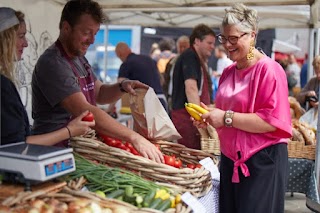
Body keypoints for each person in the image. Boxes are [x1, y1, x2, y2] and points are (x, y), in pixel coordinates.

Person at [31, 0, 163, 163]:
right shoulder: (53, 63)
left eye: (95, 33)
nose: (92, 40)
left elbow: (100, 93)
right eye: (87, 32)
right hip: (54, 154)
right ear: (66, 28)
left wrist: (122, 86)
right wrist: (133, 137)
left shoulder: (79, 59)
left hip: (78, 150)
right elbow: (85, 110)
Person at [194, 3, 292, 213]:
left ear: (252, 36)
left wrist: (226, 117)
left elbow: (270, 120)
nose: (227, 45)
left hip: (263, 161)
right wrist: (209, 116)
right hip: (230, 159)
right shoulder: (228, 73)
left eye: (234, 38)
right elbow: (229, 111)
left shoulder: (269, 70)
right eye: (224, 38)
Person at [0, 7, 94, 146]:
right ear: (4, 39)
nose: (25, 43)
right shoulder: (3, 86)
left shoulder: (80, 60)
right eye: (20, 36)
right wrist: (70, 130)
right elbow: (16, 145)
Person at [171, 24, 215, 149]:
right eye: (209, 43)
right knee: (190, 157)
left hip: (190, 117)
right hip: (186, 118)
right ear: (197, 41)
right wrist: (199, 118)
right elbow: (191, 88)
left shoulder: (197, 59)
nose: (213, 47)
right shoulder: (190, 56)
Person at [107, 42, 167, 112]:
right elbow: (161, 80)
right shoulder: (149, 59)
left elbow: (119, 88)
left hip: (147, 102)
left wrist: (109, 109)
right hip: (161, 99)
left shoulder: (126, 64)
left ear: (119, 54)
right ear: (129, 49)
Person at [163, 35, 190, 111]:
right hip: (171, 97)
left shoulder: (192, 63)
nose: (182, 49)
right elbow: (166, 79)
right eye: (180, 47)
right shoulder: (172, 62)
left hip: (185, 101)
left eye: (185, 47)